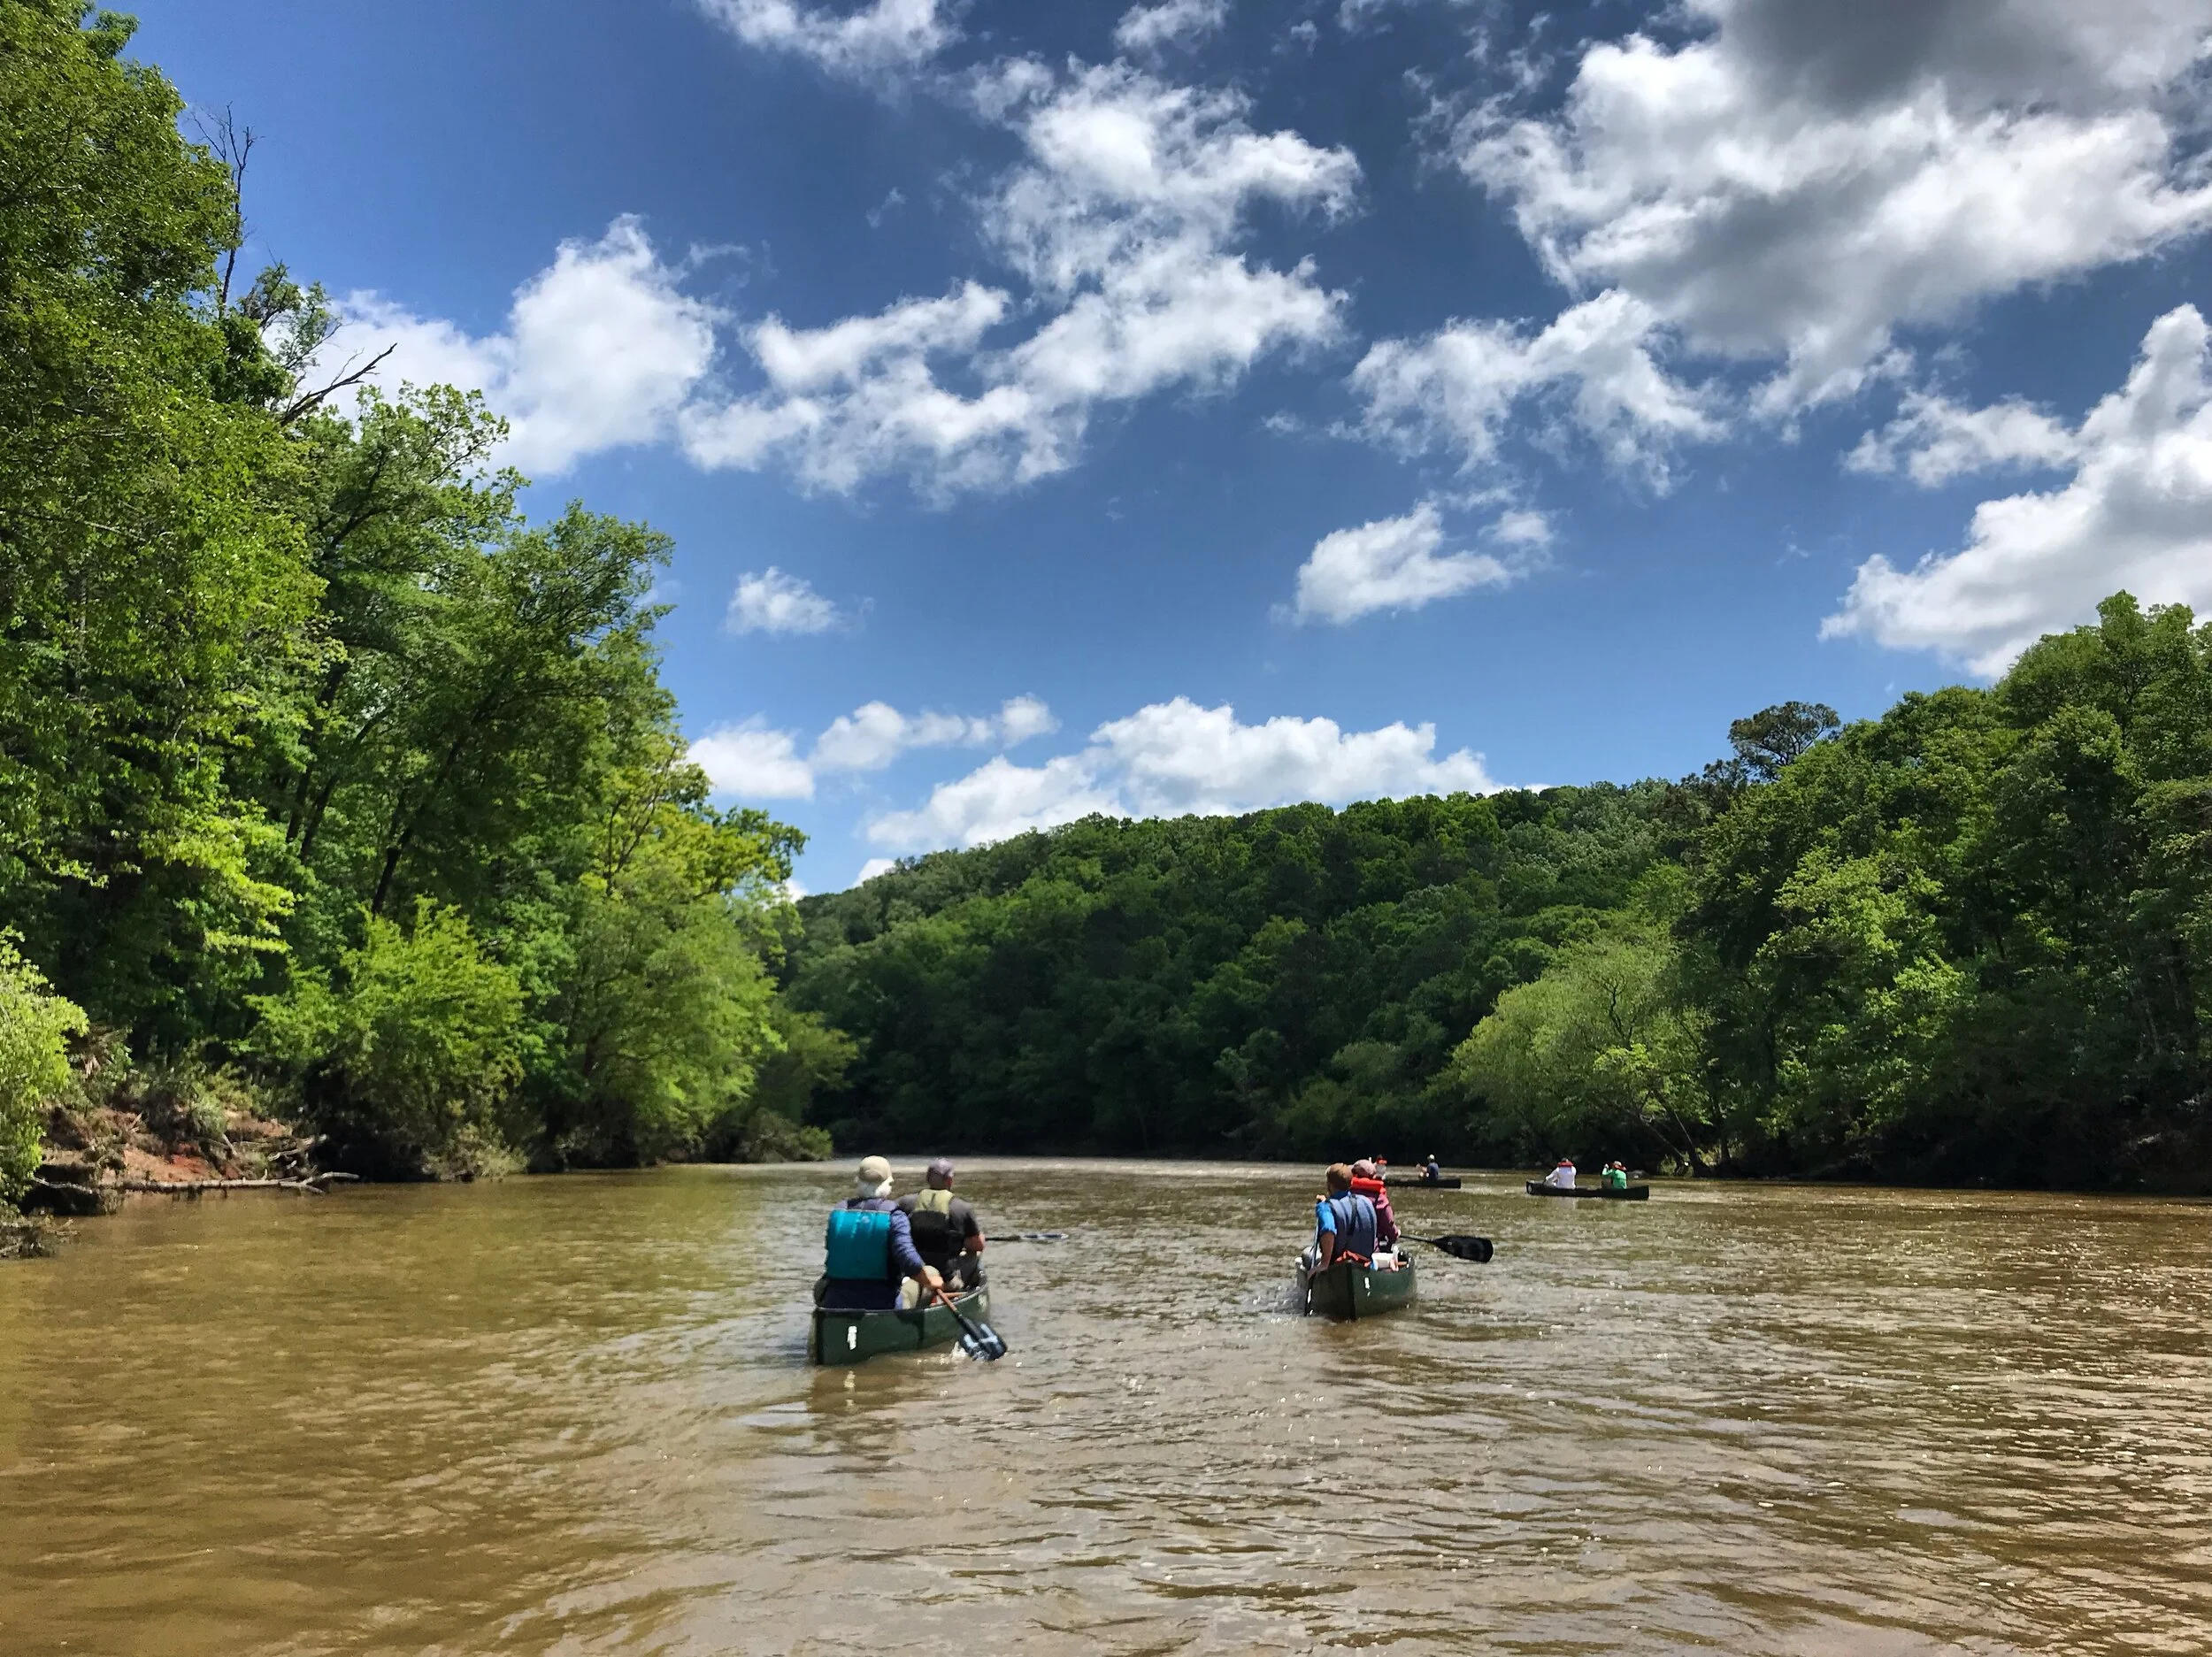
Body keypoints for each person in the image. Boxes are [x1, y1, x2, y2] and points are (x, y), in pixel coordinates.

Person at [821, 1155, 941, 1312]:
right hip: (881, 1304)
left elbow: (831, 1246)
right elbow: (908, 1259)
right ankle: (924, 1323)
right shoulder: (894, 1215)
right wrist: (930, 1282)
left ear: (858, 1182)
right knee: (931, 1273)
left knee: (820, 1286)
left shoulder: (838, 1211)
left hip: (835, 1302)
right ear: (888, 1184)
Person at [897, 1156, 987, 1290]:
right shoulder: (962, 1208)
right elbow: (977, 1246)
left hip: (912, 1271)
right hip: (947, 1277)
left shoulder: (905, 1202)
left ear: (927, 1178)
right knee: (975, 1256)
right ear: (950, 1181)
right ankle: (962, 1287)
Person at [1311, 1162, 1379, 1269]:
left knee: (1307, 1255)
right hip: (1367, 1266)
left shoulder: (1325, 1208)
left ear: (1330, 1185)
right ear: (1351, 1183)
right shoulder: (1366, 1202)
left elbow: (1328, 1229)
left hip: (1339, 1268)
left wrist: (1324, 1264)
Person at [1348, 1158, 1400, 1249]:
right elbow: (1389, 1225)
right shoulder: (1380, 1199)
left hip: (1343, 1250)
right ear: (1373, 1176)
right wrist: (1395, 1235)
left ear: (1354, 1175)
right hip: (1370, 1251)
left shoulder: (1344, 1194)